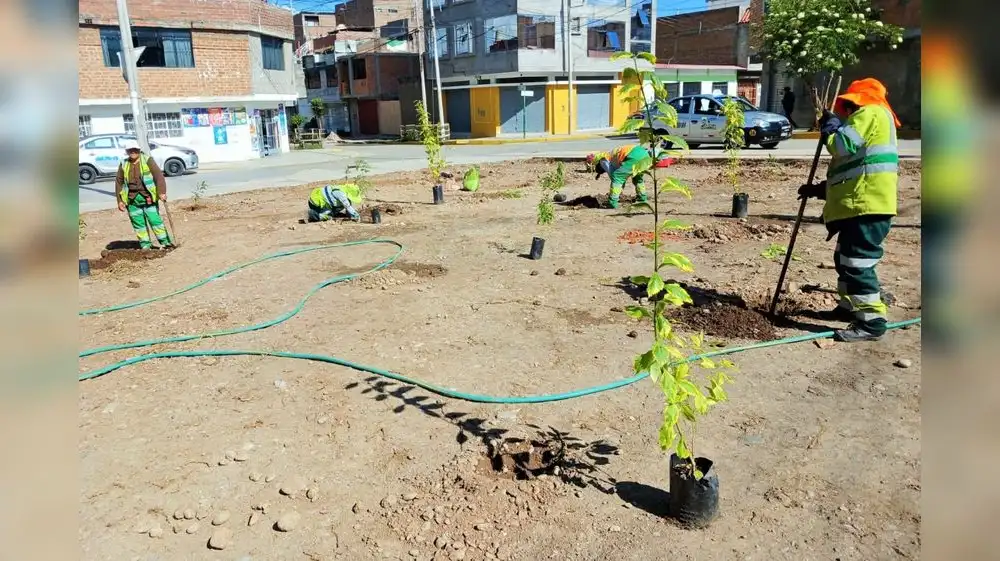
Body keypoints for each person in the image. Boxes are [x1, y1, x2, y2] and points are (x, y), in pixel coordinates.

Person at [797, 78, 901, 343]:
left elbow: (842, 146)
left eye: (848, 104)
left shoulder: (872, 112)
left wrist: (831, 129)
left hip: (866, 207)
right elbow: (856, 170)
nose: (846, 109)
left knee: (856, 265)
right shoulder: (874, 119)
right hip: (861, 205)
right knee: (844, 259)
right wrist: (821, 190)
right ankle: (849, 307)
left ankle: (872, 322)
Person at [115, 139, 173, 249]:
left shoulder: (147, 160)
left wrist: (161, 192)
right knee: (139, 224)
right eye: (130, 150)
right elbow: (119, 182)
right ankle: (145, 246)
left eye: (135, 150)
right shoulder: (124, 163)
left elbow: (158, 176)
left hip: (148, 197)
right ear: (127, 152)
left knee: (155, 221)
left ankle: (165, 243)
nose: (133, 152)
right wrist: (120, 201)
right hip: (132, 200)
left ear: (139, 150)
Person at [587, 145, 675, 209]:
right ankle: (642, 197)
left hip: (634, 157)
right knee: (638, 178)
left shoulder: (602, 158)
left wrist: (620, 184)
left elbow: (614, 173)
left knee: (617, 177)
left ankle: (612, 202)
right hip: (642, 155)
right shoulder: (611, 154)